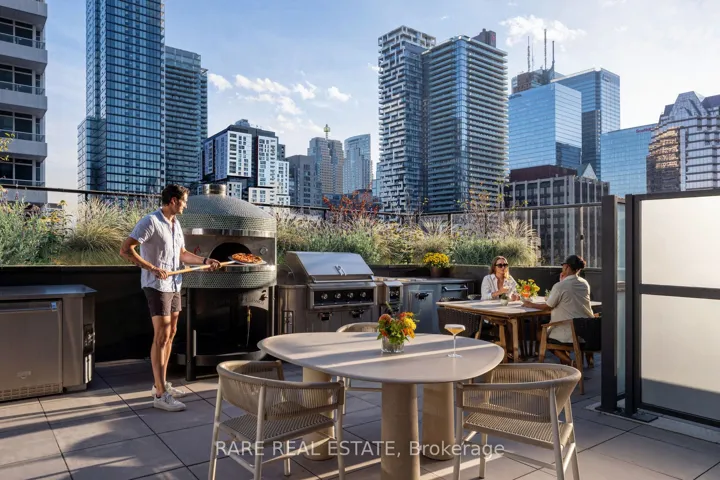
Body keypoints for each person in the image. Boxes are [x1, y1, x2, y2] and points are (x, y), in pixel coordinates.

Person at [120, 185, 221, 412]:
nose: (186, 205)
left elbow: (182, 254)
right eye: (184, 201)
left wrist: (206, 261)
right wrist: (152, 268)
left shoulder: (176, 224)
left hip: (174, 284)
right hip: (157, 286)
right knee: (162, 336)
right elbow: (125, 250)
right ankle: (159, 394)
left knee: (171, 333)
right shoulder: (151, 221)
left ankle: (162, 383)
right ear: (174, 200)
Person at [522, 254, 594, 365]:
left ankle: (570, 363)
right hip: (586, 330)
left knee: (540, 335)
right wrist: (562, 282)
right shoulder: (584, 284)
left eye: (563, 265)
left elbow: (548, 306)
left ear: (567, 267)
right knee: (552, 331)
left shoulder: (560, 286)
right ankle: (588, 361)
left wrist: (530, 304)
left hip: (569, 331)